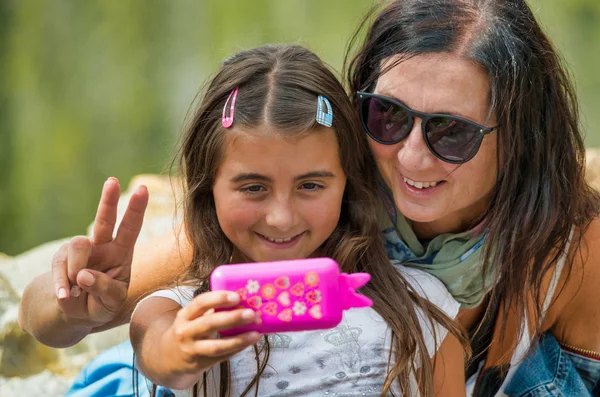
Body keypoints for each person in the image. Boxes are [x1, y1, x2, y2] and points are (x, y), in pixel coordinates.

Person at [19, 0, 600, 395]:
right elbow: (80, 313)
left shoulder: (570, 249)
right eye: (388, 116)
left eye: (452, 132)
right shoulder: (304, 213)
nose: (413, 158)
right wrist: (71, 298)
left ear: (521, 132)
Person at [128, 44, 466, 397]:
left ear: (348, 181)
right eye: (254, 187)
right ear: (207, 188)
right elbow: (161, 352)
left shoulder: (421, 303)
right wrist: (183, 350)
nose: (281, 218)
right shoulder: (180, 311)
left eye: (310, 185)